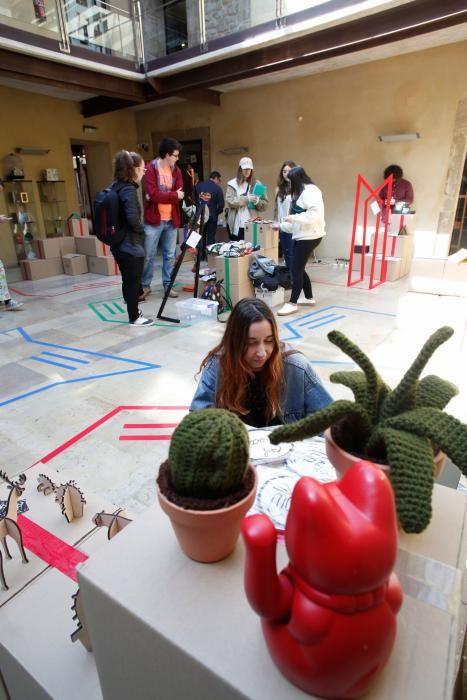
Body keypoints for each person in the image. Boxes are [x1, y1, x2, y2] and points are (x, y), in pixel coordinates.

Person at [190, 298, 332, 427]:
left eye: (269, 341)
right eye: (251, 343)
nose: (262, 352)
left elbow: (330, 422)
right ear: (235, 342)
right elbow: (197, 421)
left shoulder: (296, 367)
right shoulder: (219, 365)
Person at [110, 150, 153, 327]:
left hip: (118, 244)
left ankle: (132, 310)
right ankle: (134, 317)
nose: (144, 172)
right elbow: (133, 219)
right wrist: (143, 232)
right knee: (133, 281)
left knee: (128, 280)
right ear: (134, 169)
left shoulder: (115, 186)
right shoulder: (128, 189)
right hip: (130, 245)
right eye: (143, 169)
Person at [277, 166, 325, 317]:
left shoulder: (311, 191)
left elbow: (314, 214)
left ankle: (292, 303)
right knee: (300, 268)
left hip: (310, 236)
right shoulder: (298, 193)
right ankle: (309, 298)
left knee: (295, 269)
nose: (289, 185)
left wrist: (294, 218)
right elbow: (295, 224)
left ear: (297, 179)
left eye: (290, 181)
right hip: (302, 235)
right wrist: (279, 226)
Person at [140, 137, 184, 301]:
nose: (177, 159)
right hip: (153, 220)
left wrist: (162, 196)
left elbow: (179, 196)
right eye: (175, 155)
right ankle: (145, 286)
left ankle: (168, 286)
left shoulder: (177, 171)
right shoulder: (151, 168)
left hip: (172, 219)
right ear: (167, 155)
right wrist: (172, 195)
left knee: (170, 255)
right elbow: (153, 193)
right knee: (148, 255)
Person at [225, 157, 268, 241]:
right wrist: (247, 199)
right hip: (236, 223)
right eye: (245, 169)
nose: (247, 171)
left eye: (249, 169)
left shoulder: (257, 184)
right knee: (237, 249)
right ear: (240, 169)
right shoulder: (232, 184)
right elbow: (230, 201)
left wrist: (257, 201)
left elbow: (265, 205)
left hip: (252, 222)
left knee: (252, 249)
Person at [195, 171, 225, 260]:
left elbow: (194, 199)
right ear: (216, 178)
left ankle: (200, 256)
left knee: (200, 235)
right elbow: (221, 205)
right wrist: (217, 212)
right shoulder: (217, 188)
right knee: (211, 237)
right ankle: (210, 257)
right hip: (212, 216)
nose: (219, 182)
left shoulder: (199, 186)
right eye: (219, 180)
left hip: (200, 215)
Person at [275, 160, 297, 272]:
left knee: (292, 253)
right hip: (281, 225)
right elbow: (277, 209)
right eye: (284, 171)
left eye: (289, 171)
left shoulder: (298, 188)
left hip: (292, 226)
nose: (286, 174)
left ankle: (294, 277)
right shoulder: (278, 189)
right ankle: (289, 276)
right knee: (285, 252)